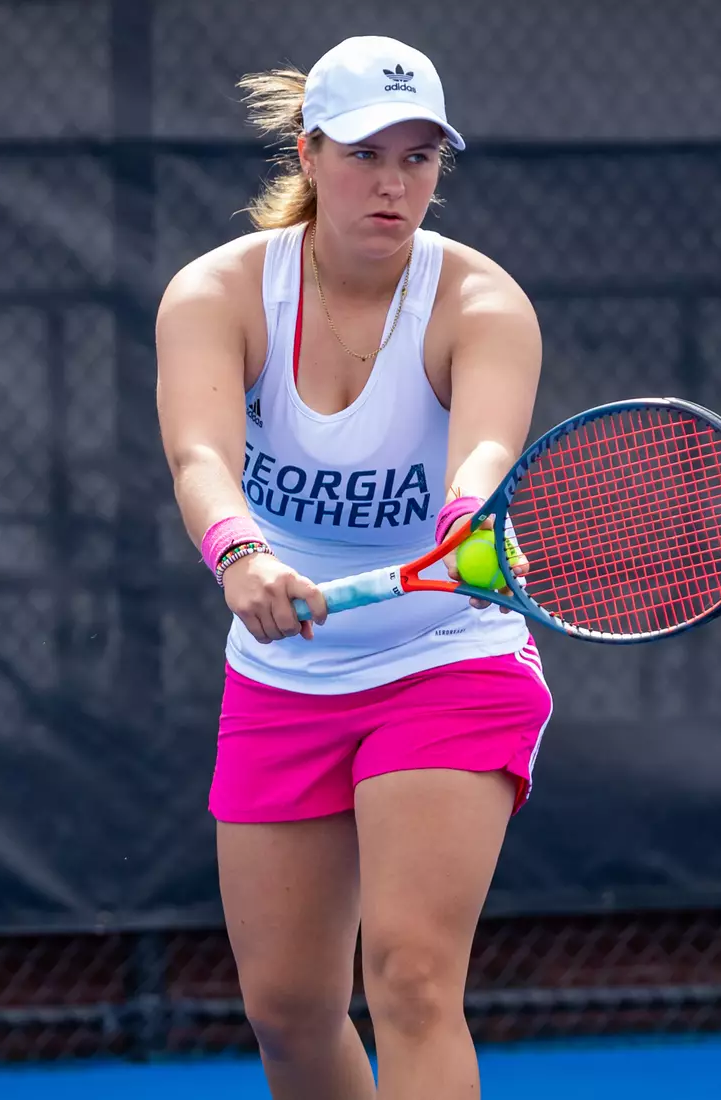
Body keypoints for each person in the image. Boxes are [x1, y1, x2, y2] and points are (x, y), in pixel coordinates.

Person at [154, 34, 551, 1100]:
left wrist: (468, 517)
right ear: (309, 150)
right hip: (285, 671)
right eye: (368, 152)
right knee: (287, 1011)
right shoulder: (218, 294)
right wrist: (239, 552)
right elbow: (201, 454)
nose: (394, 182)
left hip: (447, 653)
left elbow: (484, 450)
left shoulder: (482, 301)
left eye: (420, 157)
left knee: (414, 977)